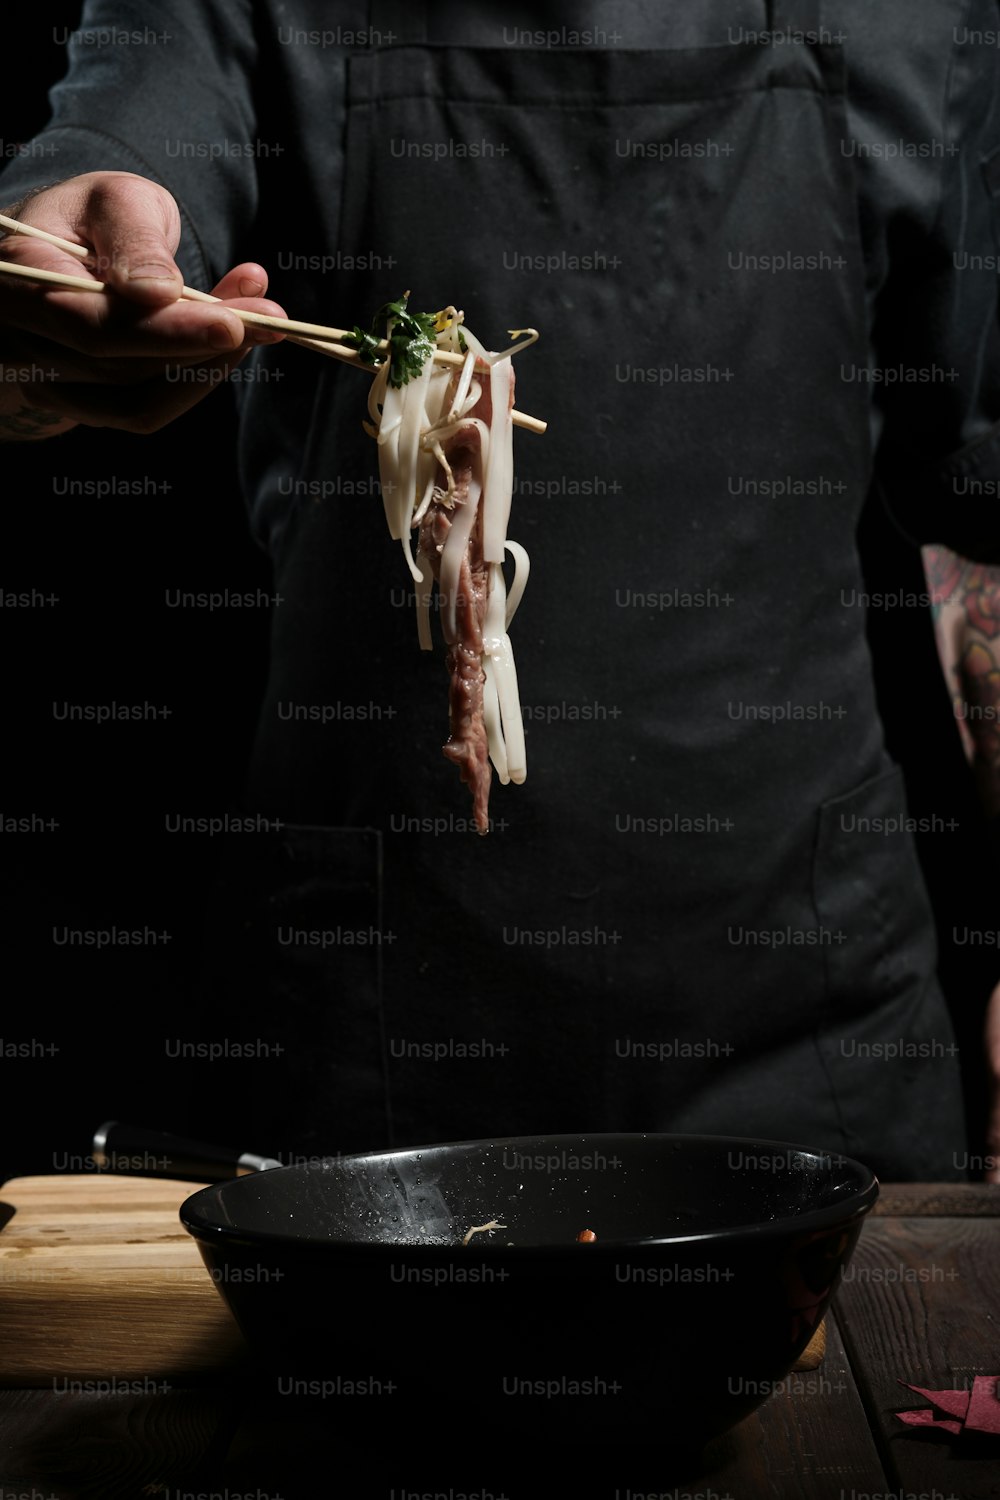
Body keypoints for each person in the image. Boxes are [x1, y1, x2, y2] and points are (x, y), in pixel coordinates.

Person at [3, 0, 999, 1180]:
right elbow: (112, 165)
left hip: (813, 1017)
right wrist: (46, 304)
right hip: (375, 1022)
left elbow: (980, 513)